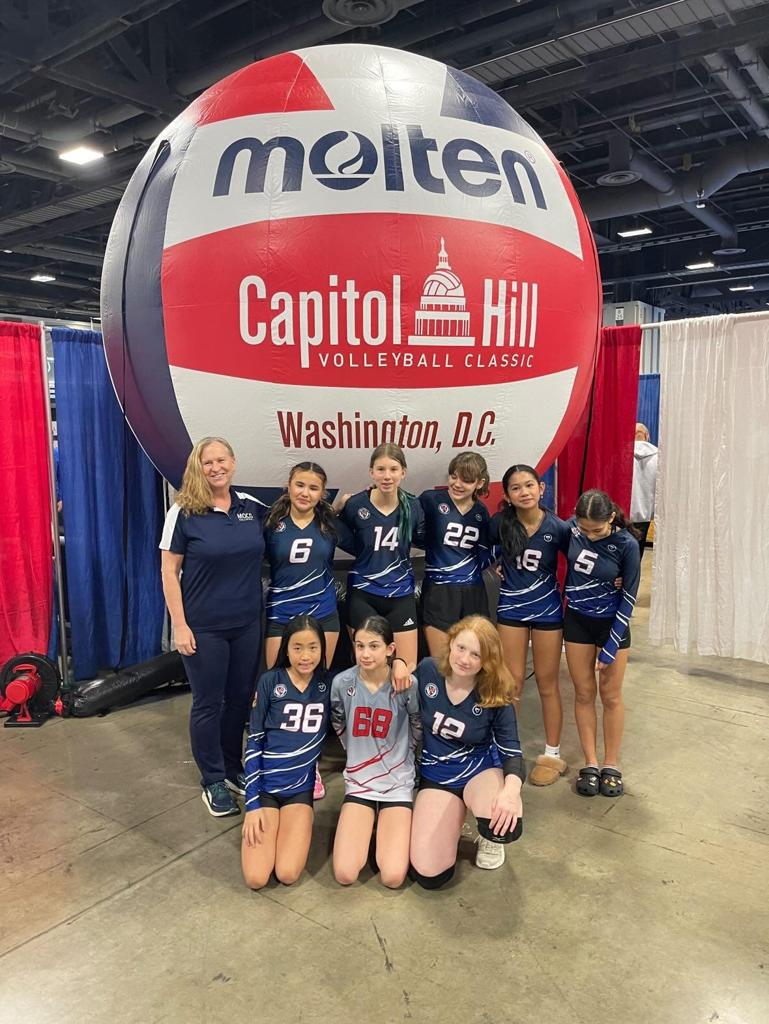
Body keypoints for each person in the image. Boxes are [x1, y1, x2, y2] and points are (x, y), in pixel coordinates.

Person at [160, 437, 267, 818]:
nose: (216, 468)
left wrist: (335, 506)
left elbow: (296, 521)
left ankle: (232, 766)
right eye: (208, 462)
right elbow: (169, 571)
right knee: (208, 703)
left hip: (247, 624)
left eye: (222, 460)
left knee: (239, 699)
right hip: (204, 628)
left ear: (233, 463)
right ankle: (213, 779)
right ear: (198, 467)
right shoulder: (183, 511)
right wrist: (180, 625)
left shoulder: (250, 508)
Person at [409, 616, 524, 887]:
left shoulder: (495, 690)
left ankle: (488, 836)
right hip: (437, 776)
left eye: (476, 654)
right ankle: (453, 816)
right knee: (429, 874)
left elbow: (511, 750)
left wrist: (510, 793)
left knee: (505, 825)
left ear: (488, 660)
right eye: (461, 648)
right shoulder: (427, 671)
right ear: (450, 643)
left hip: (479, 773)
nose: (464, 659)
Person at [490, 464, 570, 787]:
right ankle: (507, 751)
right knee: (512, 683)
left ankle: (552, 753)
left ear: (541, 489)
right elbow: (480, 549)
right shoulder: (500, 523)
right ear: (507, 495)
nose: (524, 492)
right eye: (515, 488)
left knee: (548, 683)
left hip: (548, 611)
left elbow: (584, 559)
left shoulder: (558, 527)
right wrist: (495, 562)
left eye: (529, 485)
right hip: (511, 609)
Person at [331, 616, 421, 889]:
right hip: (360, 783)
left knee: (392, 877)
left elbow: (417, 724)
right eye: (360, 646)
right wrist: (357, 755)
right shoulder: (342, 683)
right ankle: (366, 823)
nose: (366, 654)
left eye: (374, 646)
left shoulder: (406, 685)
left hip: (396, 784)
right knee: (345, 873)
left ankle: (387, 823)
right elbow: (338, 721)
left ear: (390, 649)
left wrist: (403, 757)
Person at [241, 615, 330, 889]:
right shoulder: (270, 681)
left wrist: (398, 662)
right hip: (265, 789)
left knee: (288, 873)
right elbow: (254, 742)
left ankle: (296, 823)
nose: (305, 656)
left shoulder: (328, 684)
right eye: (297, 648)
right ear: (286, 649)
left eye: (313, 647)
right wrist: (252, 805)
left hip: (299, 791)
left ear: (322, 649)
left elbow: (368, 675)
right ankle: (272, 821)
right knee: (256, 878)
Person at [563, 489, 641, 799]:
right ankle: (590, 762)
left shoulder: (627, 545)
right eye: (585, 529)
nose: (590, 535)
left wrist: (611, 646)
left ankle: (611, 763)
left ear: (611, 518)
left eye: (596, 530)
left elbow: (630, 596)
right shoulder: (572, 530)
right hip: (577, 621)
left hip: (612, 624)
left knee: (610, 695)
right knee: (583, 693)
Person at [337, 444, 425, 672]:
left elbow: (426, 540)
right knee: (367, 668)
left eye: (393, 469)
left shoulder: (413, 506)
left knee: (407, 669)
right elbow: (330, 532)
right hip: (363, 593)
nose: (387, 476)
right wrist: (336, 507)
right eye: (381, 469)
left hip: (400, 593)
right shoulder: (355, 504)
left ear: (403, 472)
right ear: (371, 472)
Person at [419, 451, 494, 658]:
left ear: (479, 483)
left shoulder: (481, 513)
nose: (457, 484)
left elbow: (486, 550)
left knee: (474, 660)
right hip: (439, 590)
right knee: (441, 662)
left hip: (473, 591)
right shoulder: (430, 500)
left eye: (466, 480)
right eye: (454, 477)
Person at [630, 423, 658, 561]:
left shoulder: (623, 453)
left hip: (621, 512)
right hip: (644, 514)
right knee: (637, 553)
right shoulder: (658, 456)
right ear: (647, 436)